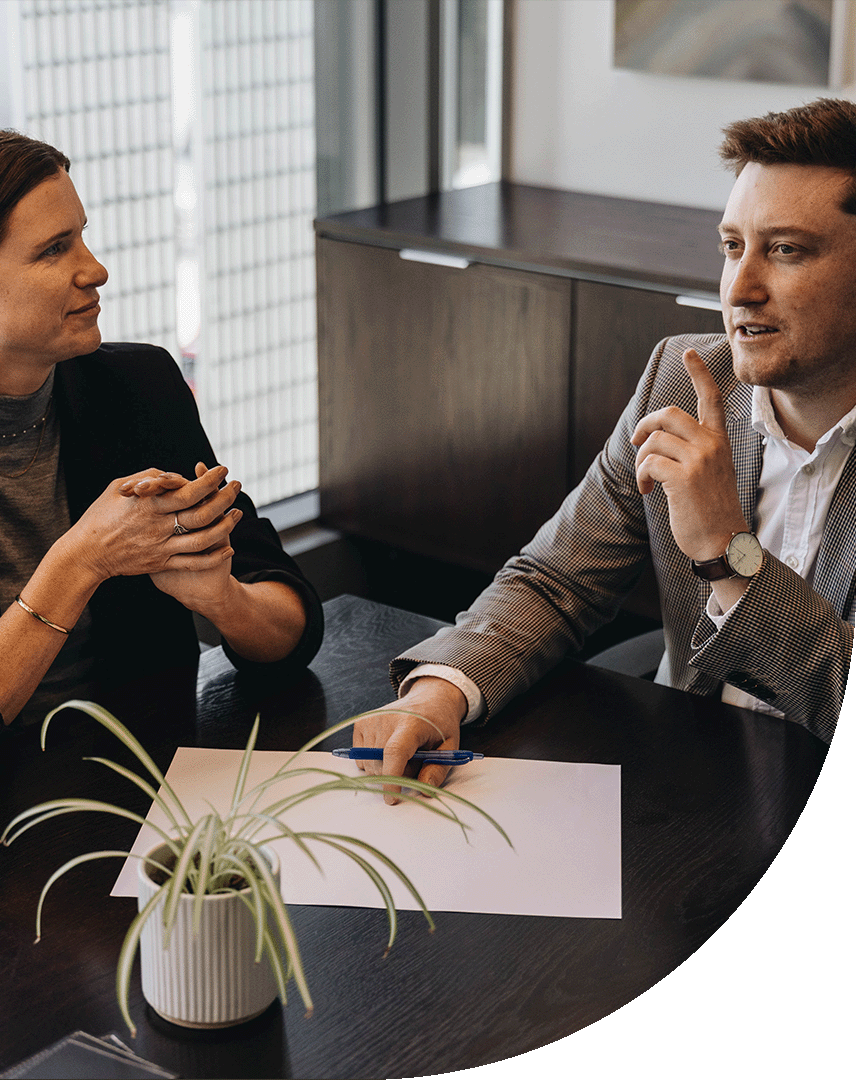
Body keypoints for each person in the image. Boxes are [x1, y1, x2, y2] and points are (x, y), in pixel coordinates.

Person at [355, 97, 853, 802]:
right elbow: (559, 579)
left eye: (786, 250)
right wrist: (436, 696)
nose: (739, 289)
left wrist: (726, 549)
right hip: (689, 776)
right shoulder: (680, 379)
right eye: (732, 246)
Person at [0, 128, 323, 798]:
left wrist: (222, 599)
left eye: (82, 235)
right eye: (54, 250)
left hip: (136, 784)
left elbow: (295, 630)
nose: (95, 268)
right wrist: (81, 560)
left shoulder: (140, 387)